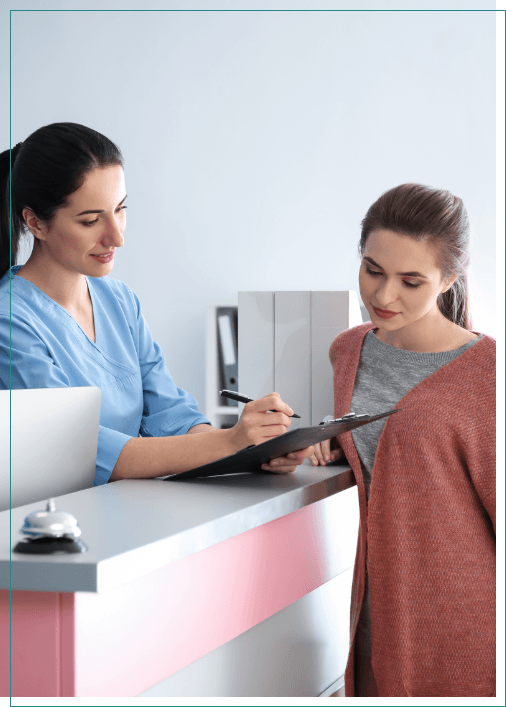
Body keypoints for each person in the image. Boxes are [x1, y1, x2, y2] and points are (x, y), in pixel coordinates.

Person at [0, 122, 314, 484]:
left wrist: (254, 449)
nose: (116, 236)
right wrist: (231, 441)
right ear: (35, 223)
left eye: (120, 209)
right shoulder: (12, 321)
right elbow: (86, 454)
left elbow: (173, 416)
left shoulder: (120, 301)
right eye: (90, 220)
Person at [312, 184, 495, 697]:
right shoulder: (346, 351)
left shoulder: (489, 375)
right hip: (373, 621)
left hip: (464, 636)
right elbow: (393, 461)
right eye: (373, 270)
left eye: (411, 281)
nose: (384, 295)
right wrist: (325, 444)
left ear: (448, 280)